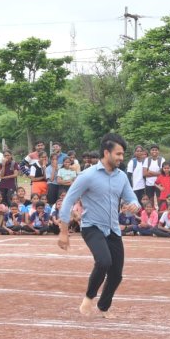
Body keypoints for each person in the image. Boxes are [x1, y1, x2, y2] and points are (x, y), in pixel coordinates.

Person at [59, 133, 139, 318]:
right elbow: (68, 201)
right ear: (106, 153)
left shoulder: (122, 177)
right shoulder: (87, 175)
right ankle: (88, 299)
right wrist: (64, 232)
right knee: (104, 261)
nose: (121, 157)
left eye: (122, 154)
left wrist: (134, 205)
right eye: (118, 154)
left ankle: (103, 307)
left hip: (113, 229)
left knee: (116, 274)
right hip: (92, 227)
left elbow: (132, 198)